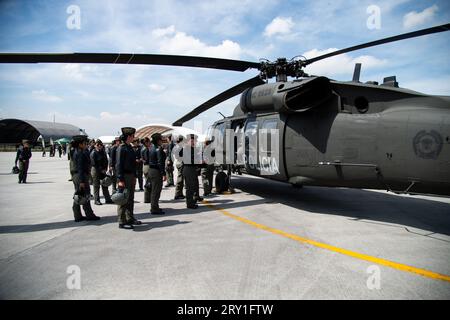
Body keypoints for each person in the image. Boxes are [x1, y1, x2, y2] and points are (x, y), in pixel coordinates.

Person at [116, 127, 141, 229]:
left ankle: (129, 217)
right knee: (123, 199)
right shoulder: (121, 148)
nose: (133, 138)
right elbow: (119, 165)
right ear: (128, 137)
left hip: (130, 175)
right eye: (132, 136)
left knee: (130, 198)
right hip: (124, 176)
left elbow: (132, 164)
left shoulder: (129, 147)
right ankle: (122, 221)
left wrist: (134, 176)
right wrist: (120, 180)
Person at [71, 135, 100, 222]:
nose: (86, 144)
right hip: (81, 176)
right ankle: (89, 215)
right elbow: (80, 167)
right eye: (84, 143)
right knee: (85, 195)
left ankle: (78, 215)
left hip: (78, 176)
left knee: (79, 195)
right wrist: (82, 181)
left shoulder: (76, 151)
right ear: (80, 144)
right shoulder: (79, 153)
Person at [182, 134, 204, 209]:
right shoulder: (186, 149)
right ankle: (190, 203)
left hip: (192, 169)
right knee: (189, 187)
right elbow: (189, 160)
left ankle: (192, 201)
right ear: (188, 141)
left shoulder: (191, 148)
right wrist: (199, 161)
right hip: (188, 169)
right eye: (192, 141)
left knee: (193, 186)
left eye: (194, 141)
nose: (193, 142)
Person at [148, 133, 166, 214]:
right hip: (156, 171)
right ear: (158, 140)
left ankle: (155, 206)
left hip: (151, 170)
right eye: (161, 139)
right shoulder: (158, 149)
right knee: (156, 190)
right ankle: (154, 208)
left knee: (154, 190)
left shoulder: (151, 148)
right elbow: (160, 162)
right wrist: (163, 173)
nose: (162, 141)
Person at [90, 139, 113, 205]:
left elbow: (106, 161)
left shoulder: (103, 152)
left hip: (103, 170)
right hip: (96, 170)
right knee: (96, 185)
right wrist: (101, 169)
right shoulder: (93, 153)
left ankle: (108, 199)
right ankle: (96, 200)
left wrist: (105, 169)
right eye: (98, 145)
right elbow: (94, 163)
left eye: (100, 145)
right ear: (95, 145)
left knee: (105, 184)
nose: (99, 146)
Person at [173, 135, 186, 200]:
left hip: (179, 162)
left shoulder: (177, 146)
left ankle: (180, 193)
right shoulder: (179, 147)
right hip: (181, 162)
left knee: (181, 178)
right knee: (180, 179)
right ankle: (177, 194)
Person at [141, 137, 151, 203]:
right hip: (147, 166)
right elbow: (147, 160)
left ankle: (147, 198)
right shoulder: (146, 149)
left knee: (147, 182)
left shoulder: (142, 148)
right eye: (149, 142)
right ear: (146, 142)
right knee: (148, 183)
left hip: (144, 166)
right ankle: (147, 199)